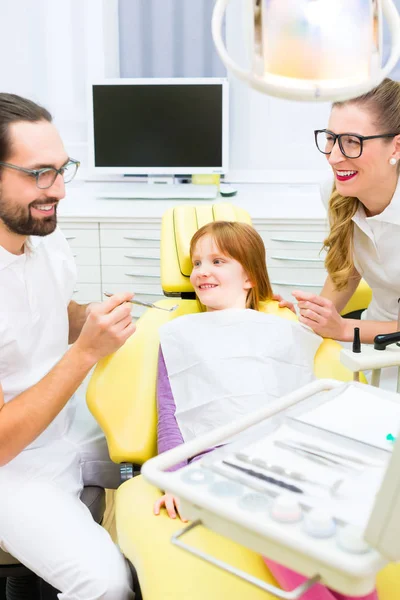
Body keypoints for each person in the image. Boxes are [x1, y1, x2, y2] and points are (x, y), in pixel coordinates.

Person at [152, 220, 376, 600]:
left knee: (340, 538)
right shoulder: (177, 335)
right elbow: (172, 412)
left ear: (250, 277)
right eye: (197, 264)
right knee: (283, 531)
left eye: (218, 261)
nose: (202, 271)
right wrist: (173, 476)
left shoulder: (286, 329)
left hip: (288, 458)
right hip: (225, 465)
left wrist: (297, 316)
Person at [0, 93, 136, 598]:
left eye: (62, 170)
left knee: (186, 449)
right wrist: (85, 354)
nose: (57, 190)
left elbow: (54, 311)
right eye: (39, 174)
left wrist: (96, 321)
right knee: (105, 585)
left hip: (68, 424)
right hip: (15, 465)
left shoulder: (39, 231)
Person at [292, 78, 400, 348]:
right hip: (370, 338)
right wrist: (310, 318)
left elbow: (341, 327)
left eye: (352, 141)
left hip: (367, 333)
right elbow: (346, 271)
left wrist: (341, 327)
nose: (333, 157)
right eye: (331, 138)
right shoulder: (338, 192)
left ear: (396, 147)